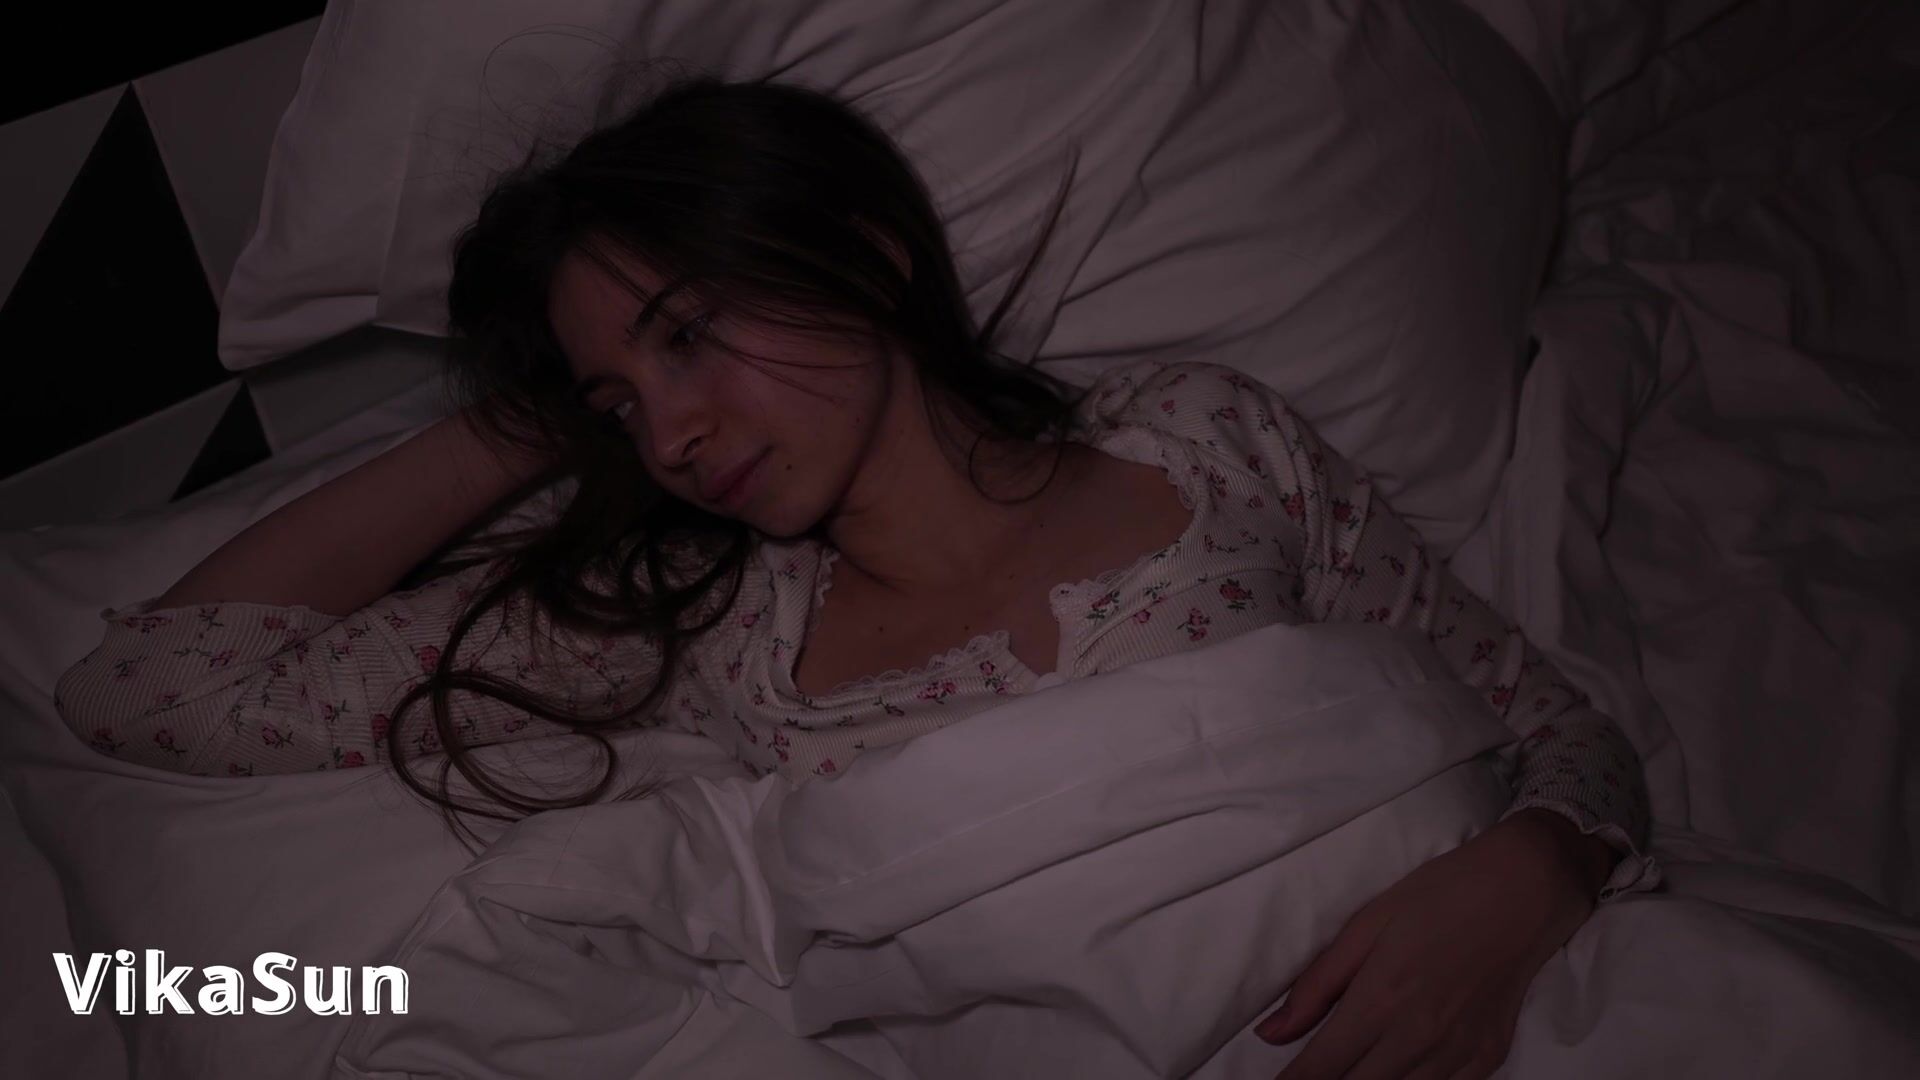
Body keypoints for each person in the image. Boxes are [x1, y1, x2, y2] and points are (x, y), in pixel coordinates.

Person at [55, 74, 1658, 1077]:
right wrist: (529, 421)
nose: (671, 433)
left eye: (691, 334)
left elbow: (1549, 727)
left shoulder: (1202, 440)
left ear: (862, 254)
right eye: (622, 404)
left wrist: (1532, 876)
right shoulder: (715, 630)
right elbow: (156, 688)